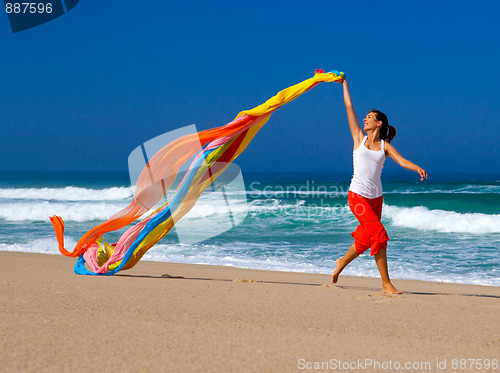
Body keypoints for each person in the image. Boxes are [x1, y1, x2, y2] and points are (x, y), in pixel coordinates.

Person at [332, 78, 427, 294]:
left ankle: (340, 263)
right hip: (357, 197)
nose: (365, 119)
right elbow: (349, 107)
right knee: (379, 234)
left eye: (370, 118)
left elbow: (402, 161)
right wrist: (344, 83)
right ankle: (386, 284)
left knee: (366, 237)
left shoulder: (385, 146)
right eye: (365, 117)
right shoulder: (358, 138)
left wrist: (417, 168)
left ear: (379, 123)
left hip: (376, 198)